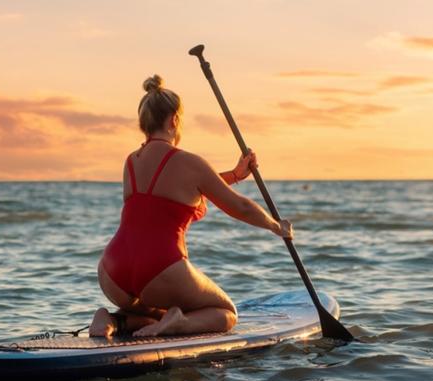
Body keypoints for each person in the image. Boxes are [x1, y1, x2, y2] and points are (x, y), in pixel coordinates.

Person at [89, 75, 293, 337]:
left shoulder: (131, 162)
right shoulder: (189, 162)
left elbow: (174, 192)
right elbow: (239, 207)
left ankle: (111, 320)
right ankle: (180, 324)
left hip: (112, 270)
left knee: (154, 313)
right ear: (174, 120)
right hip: (160, 266)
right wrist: (276, 226)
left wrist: (234, 175)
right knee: (225, 313)